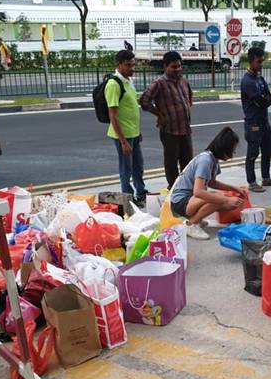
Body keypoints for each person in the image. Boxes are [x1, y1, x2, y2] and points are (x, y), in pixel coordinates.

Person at [170, 127, 247, 240]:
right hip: (180, 201)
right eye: (232, 150)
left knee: (225, 202)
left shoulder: (213, 159)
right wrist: (226, 199)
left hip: (190, 200)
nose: (233, 153)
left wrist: (234, 189)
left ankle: (197, 219)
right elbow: (198, 191)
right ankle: (190, 224)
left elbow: (212, 182)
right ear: (224, 148)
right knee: (218, 198)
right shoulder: (205, 160)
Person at [140, 51, 194, 189]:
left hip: (185, 129)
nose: (177, 69)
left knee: (188, 162)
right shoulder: (159, 83)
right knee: (171, 163)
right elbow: (144, 101)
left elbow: (190, 97)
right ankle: (174, 189)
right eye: (173, 67)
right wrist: (159, 114)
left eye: (179, 66)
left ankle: (187, 187)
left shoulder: (183, 81)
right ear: (165, 66)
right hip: (170, 131)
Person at [106, 50, 147, 206]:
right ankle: (128, 199)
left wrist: (137, 132)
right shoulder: (113, 84)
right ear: (119, 65)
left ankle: (141, 193)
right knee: (126, 169)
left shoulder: (128, 81)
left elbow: (130, 109)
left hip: (133, 133)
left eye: (133, 65)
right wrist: (123, 142)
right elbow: (113, 115)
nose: (132, 68)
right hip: (122, 136)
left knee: (138, 166)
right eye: (128, 65)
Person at [240, 47, 271, 193]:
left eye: (262, 61)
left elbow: (269, 98)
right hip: (253, 123)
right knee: (252, 153)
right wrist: (264, 99)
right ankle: (251, 181)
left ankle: (266, 177)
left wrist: (265, 99)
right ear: (251, 61)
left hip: (264, 121)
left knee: (267, 150)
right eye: (259, 61)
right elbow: (262, 101)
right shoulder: (248, 81)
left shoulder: (260, 78)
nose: (261, 64)